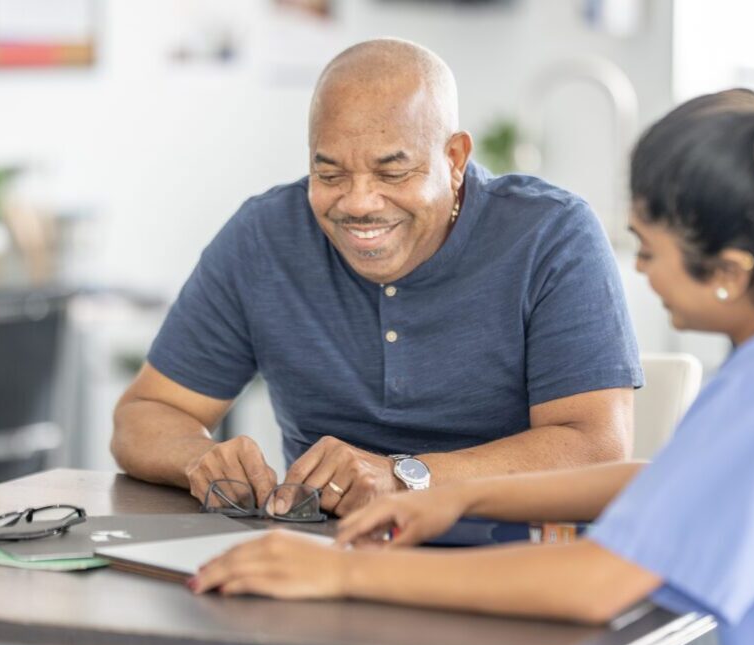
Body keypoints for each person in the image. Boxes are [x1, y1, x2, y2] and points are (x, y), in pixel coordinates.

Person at [192, 73, 754, 645]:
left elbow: (596, 582)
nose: (639, 270)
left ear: (729, 271)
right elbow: (680, 484)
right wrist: (462, 496)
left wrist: (342, 572)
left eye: (648, 249)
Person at [112, 38, 641, 516]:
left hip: (507, 551)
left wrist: (403, 477)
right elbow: (146, 412)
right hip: (323, 555)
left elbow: (596, 445)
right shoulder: (264, 236)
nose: (359, 203)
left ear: (454, 159)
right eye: (330, 173)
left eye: (392, 172)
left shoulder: (550, 234)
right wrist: (199, 459)